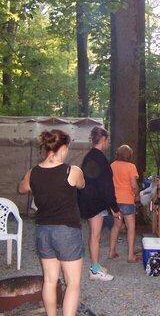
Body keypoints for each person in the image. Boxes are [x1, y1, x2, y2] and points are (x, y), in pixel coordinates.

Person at [19, 130, 85, 316]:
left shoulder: (33, 173)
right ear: (63, 148)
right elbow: (81, 184)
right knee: (72, 283)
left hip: (43, 232)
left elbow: (22, 188)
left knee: (49, 280)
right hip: (67, 232)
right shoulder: (71, 171)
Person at [77, 126, 121, 281]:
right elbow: (106, 186)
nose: (108, 142)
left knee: (96, 236)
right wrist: (114, 207)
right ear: (103, 140)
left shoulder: (90, 156)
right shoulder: (99, 158)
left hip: (91, 200)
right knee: (95, 236)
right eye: (107, 140)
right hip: (95, 203)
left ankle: (96, 266)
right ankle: (95, 270)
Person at [108, 144, 141, 263]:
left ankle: (112, 251)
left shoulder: (112, 165)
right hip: (127, 200)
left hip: (115, 201)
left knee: (116, 226)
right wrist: (137, 192)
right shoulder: (131, 167)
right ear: (130, 155)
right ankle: (130, 256)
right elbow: (133, 185)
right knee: (130, 228)